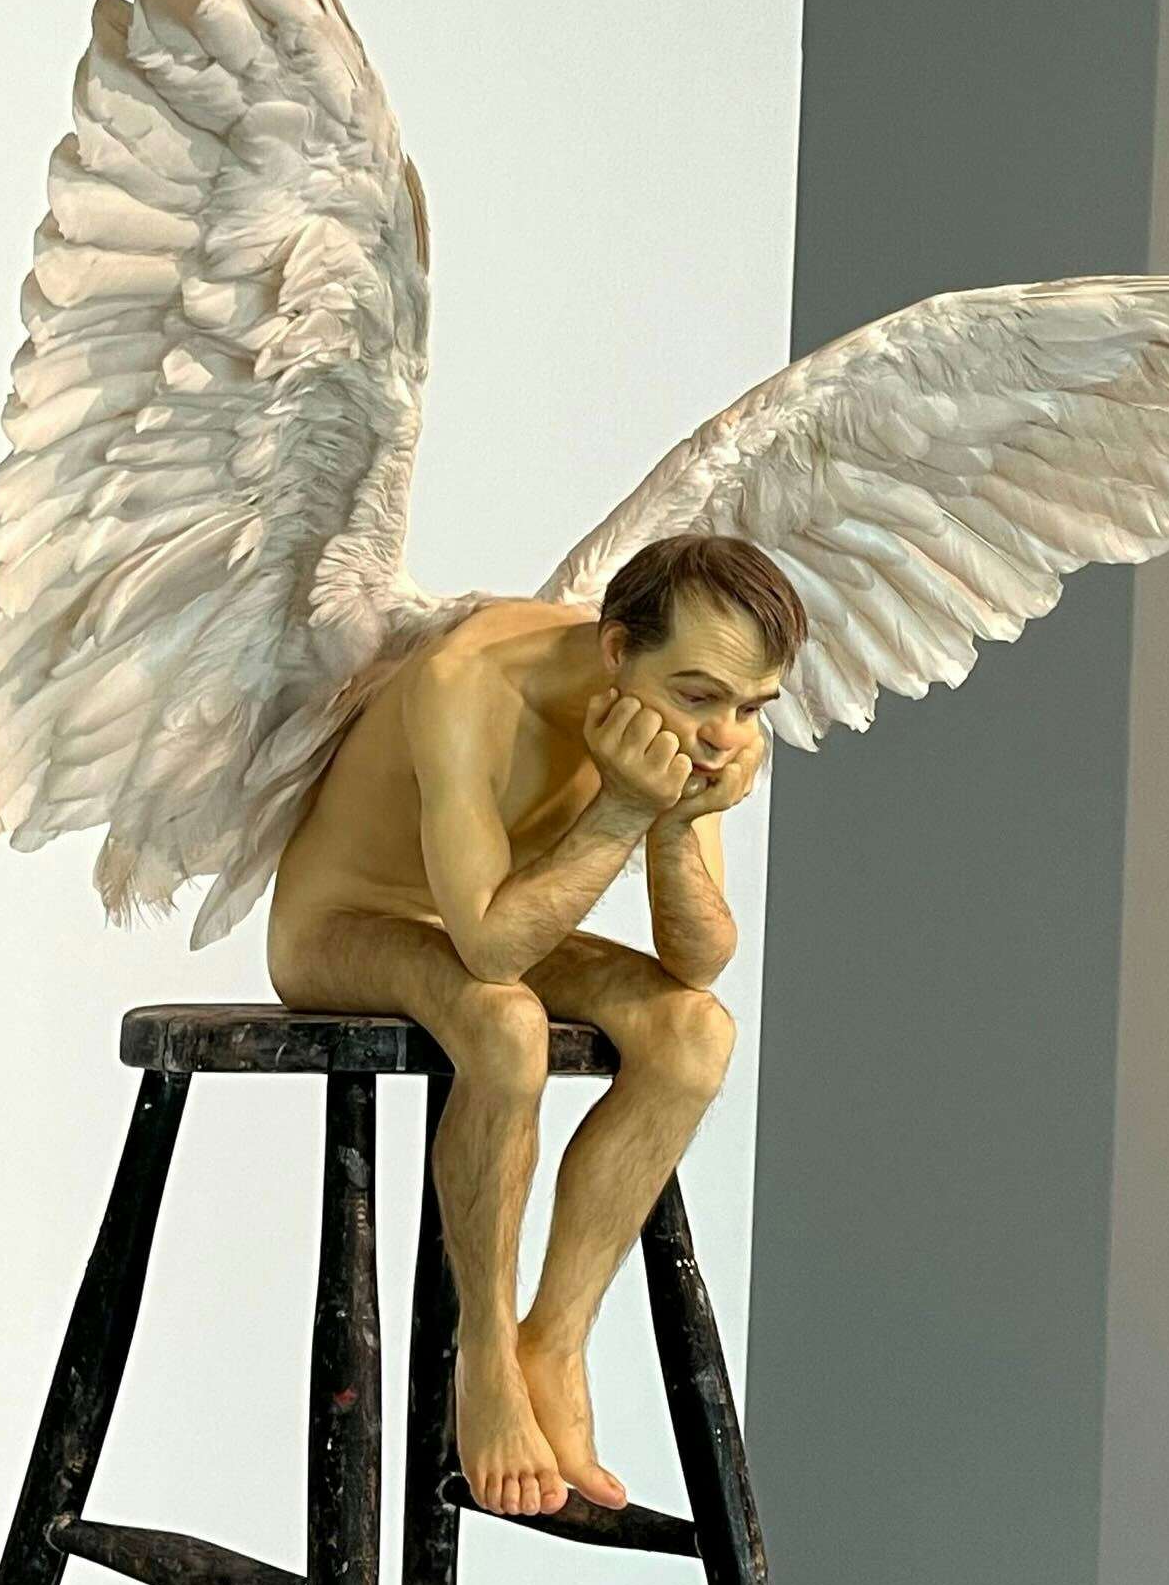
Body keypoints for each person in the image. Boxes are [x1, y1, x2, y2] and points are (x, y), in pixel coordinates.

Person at [264, 532, 801, 1519]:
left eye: (749, 707)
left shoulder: (689, 721)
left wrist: (675, 821)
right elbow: (490, 950)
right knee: (505, 1027)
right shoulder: (470, 680)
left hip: (509, 915)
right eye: (700, 696)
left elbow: (698, 961)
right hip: (348, 923)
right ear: (617, 650)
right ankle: (485, 1356)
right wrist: (620, 813)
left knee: (696, 1035)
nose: (724, 734)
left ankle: (553, 1338)